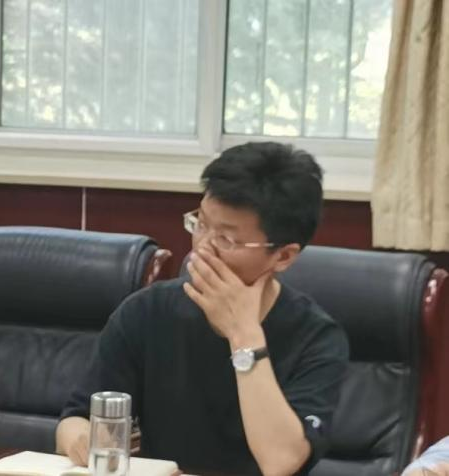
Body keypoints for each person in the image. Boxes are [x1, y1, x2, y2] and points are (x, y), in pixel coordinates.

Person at [55, 142, 349, 475]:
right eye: (202, 224)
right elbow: (75, 420)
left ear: (283, 256)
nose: (202, 248)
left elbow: (280, 462)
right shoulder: (147, 311)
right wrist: (82, 439)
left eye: (226, 239)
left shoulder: (316, 338)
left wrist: (244, 335)